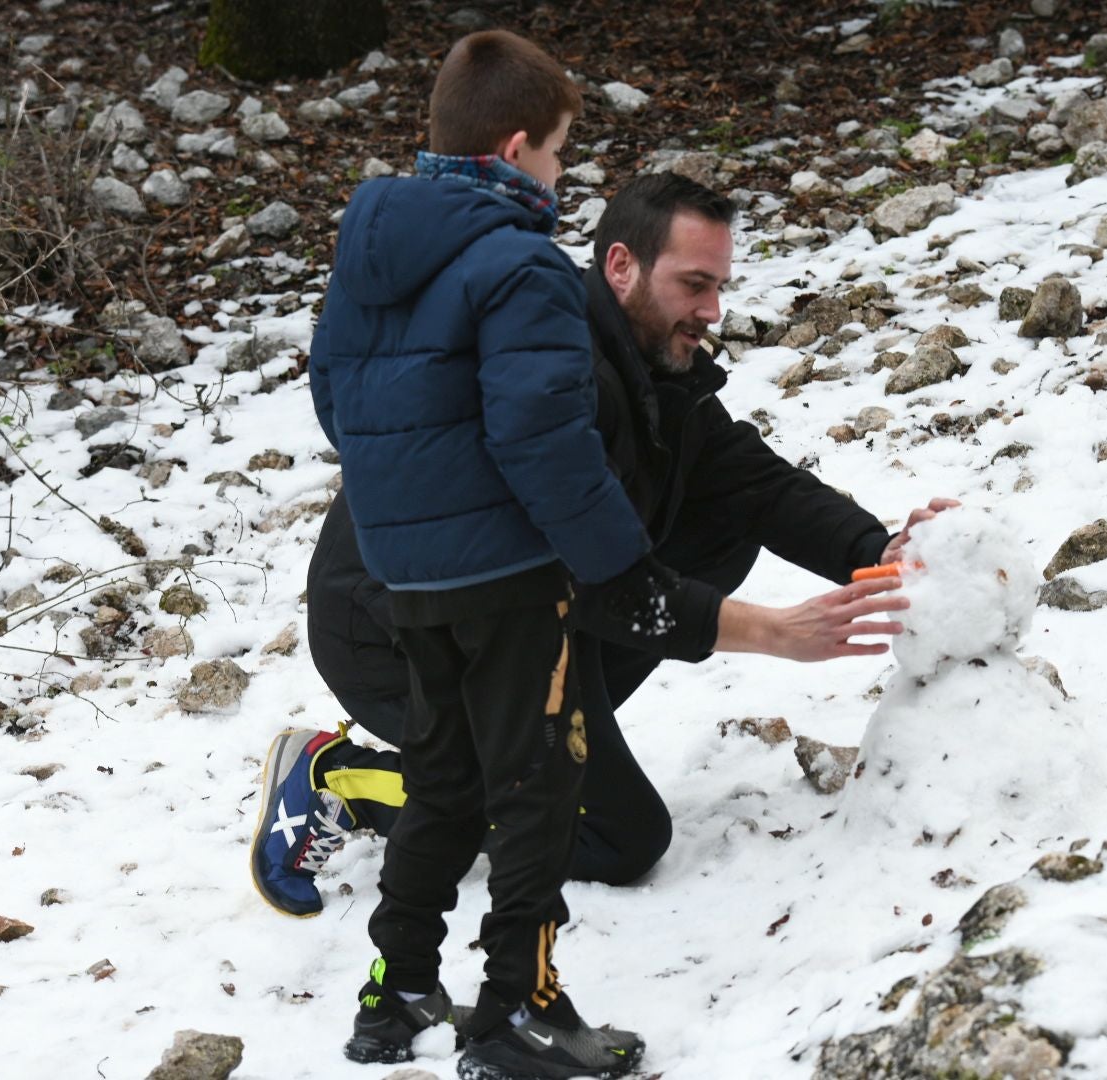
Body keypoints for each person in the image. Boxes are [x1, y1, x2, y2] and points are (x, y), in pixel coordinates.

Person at [257, 173, 953, 1064]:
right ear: (620, 266)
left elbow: (753, 482)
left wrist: (882, 550)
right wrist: (774, 632)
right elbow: (582, 572)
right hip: (394, 627)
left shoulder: (648, 365)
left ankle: (547, 744)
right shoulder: (558, 364)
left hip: (515, 614)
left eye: (719, 288)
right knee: (620, 837)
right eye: (692, 286)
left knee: (715, 522)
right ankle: (342, 779)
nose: (711, 312)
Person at [287, 28, 666, 1077]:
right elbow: (542, 437)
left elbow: (336, 402)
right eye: (555, 155)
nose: (559, 175)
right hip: (505, 576)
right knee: (539, 784)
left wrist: (414, 503)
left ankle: (398, 987)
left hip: (406, 573)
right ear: (512, 149)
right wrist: (617, 564)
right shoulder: (520, 266)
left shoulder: (369, 255)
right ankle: (518, 1012)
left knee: (447, 779)